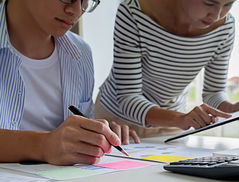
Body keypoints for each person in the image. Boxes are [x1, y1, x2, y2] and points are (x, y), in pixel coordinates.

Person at [0, 0, 139, 166]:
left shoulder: (80, 53)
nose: (77, 10)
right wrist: (44, 145)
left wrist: (97, 135)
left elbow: (78, 128)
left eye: (86, 1)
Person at [94, 0, 239, 138]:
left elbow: (213, 92)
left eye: (228, 4)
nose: (217, 15)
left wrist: (231, 109)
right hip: (118, 122)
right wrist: (180, 119)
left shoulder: (225, 28)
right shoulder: (133, 12)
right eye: (209, 3)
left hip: (174, 124)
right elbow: (128, 97)